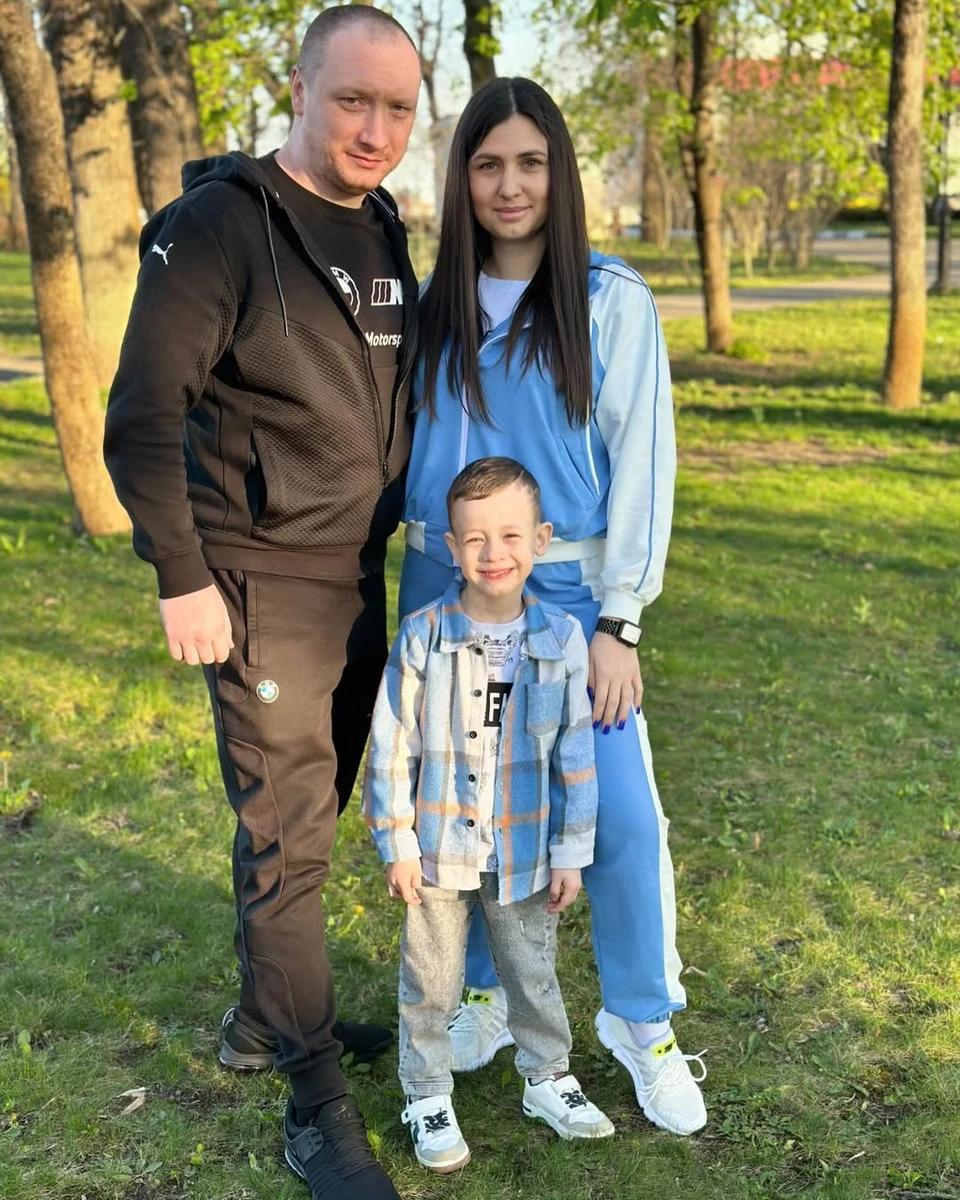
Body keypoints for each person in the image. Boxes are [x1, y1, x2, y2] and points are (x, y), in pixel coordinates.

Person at [103, 7, 422, 1197]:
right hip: (256, 583)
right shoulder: (219, 227)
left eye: (398, 108)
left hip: (356, 579)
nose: (376, 129)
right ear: (299, 89)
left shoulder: (381, 222)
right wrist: (183, 575)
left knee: (308, 822)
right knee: (290, 849)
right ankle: (315, 1103)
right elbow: (141, 417)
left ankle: (258, 1022)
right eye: (353, 100)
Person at [399, 77, 708, 1137]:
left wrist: (622, 620)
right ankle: (484, 997)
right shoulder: (430, 306)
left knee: (616, 816)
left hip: (570, 601)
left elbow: (644, 464)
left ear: (558, 173)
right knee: (468, 814)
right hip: (444, 591)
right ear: (462, 179)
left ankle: (640, 1021)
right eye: (488, 164)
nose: (510, 185)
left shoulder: (608, 298)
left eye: (530, 163)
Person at [364, 456, 614, 1173]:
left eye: (509, 536)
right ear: (452, 547)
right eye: (475, 539)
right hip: (438, 847)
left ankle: (547, 1077)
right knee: (431, 981)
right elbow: (393, 743)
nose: (493, 553)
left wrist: (571, 852)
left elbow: (575, 755)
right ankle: (427, 1093)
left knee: (533, 973)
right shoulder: (423, 635)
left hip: (526, 850)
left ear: (540, 540)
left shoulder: (561, 640)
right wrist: (396, 841)